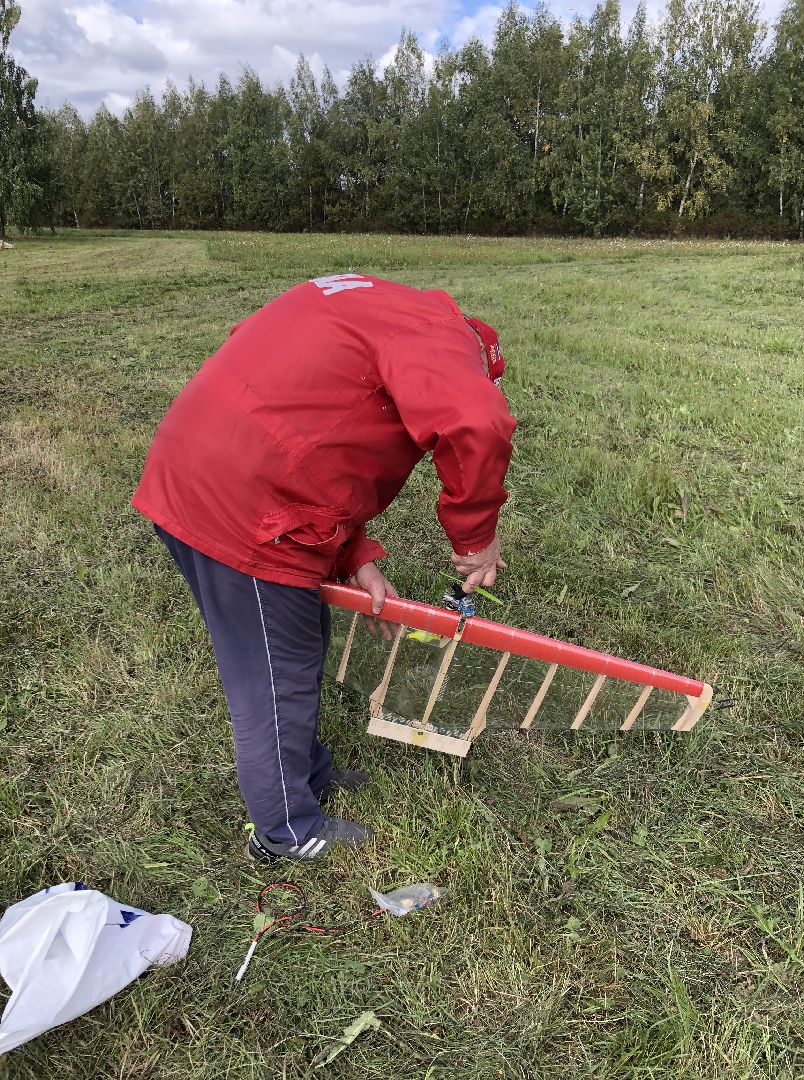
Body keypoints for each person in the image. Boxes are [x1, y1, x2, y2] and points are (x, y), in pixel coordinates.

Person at [132, 273, 517, 863]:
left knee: (296, 644)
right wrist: (477, 539)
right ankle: (285, 831)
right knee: (275, 676)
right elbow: (476, 422)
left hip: (205, 467)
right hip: (244, 509)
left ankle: (308, 772)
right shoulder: (439, 337)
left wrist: (353, 555)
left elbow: (311, 426)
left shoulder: (379, 304)